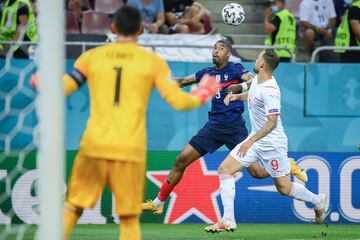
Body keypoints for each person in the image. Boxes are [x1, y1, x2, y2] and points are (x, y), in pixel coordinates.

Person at [32, 6, 218, 240]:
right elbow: (179, 102)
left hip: (94, 146)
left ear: (112, 27)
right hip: (129, 150)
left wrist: (46, 83)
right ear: (141, 30)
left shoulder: (92, 57)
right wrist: (202, 93)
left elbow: (64, 87)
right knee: (129, 219)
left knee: (72, 208)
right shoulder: (151, 62)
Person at [142, 40, 307, 216]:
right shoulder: (207, 73)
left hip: (235, 129)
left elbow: (254, 81)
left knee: (258, 173)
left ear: (228, 54)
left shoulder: (236, 69)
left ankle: (286, 165)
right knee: (180, 160)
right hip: (212, 128)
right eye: (214, 48)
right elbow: (182, 81)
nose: (216, 51)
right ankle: (158, 203)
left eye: (221, 49)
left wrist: (239, 87)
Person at [204, 50, 327, 233]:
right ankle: (227, 220)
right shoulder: (257, 81)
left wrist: (250, 140)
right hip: (256, 141)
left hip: (272, 145)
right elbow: (253, 94)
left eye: (257, 58)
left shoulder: (270, 90)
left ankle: (318, 201)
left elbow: (272, 122)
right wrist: (237, 96)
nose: (255, 60)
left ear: (261, 64)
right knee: (225, 170)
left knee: (284, 189)